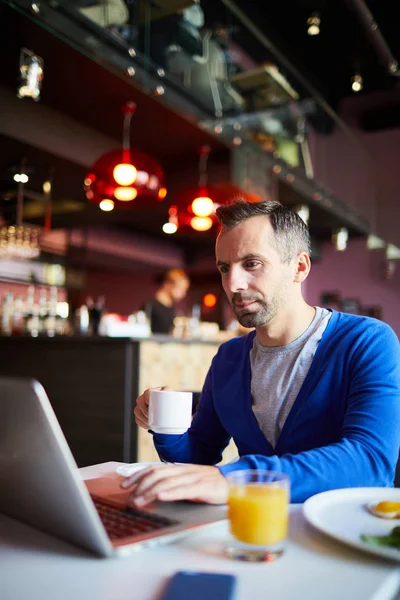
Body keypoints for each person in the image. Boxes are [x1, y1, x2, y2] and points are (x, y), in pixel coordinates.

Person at [123, 200, 400, 506]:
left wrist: (239, 479)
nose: (233, 284)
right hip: (253, 534)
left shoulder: (367, 341)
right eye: (225, 268)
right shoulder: (228, 358)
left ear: (299, 267)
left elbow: (371, 461)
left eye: (252, 264)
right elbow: (199, 455)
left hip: (344, 535)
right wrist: (166, 427)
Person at [144, 269, 190, 335]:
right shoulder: (150, 306)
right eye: (180, 288)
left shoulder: (173, 310)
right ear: (167, 285)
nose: (183, 294)